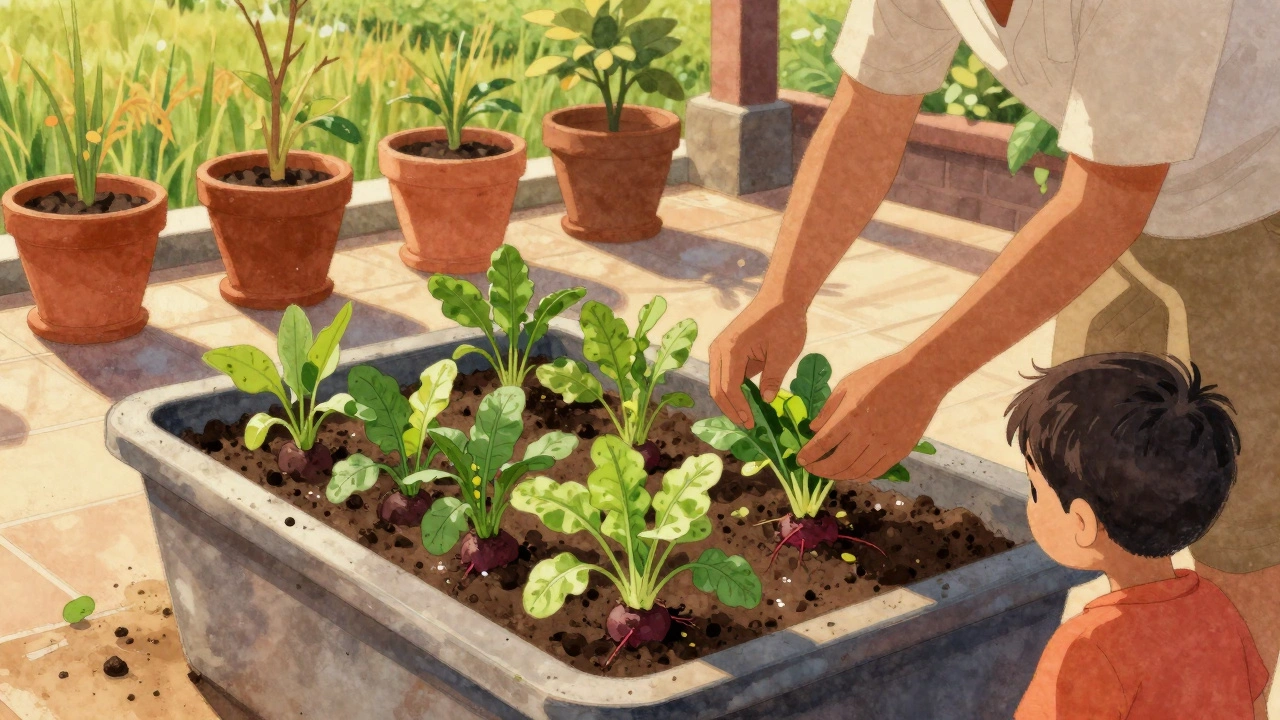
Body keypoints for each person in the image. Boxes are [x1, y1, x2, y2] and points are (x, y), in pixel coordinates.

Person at [708, 0, 1280, 705]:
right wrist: (783, 294)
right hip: (1120, 196)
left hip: (1258, 198)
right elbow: (870, 108)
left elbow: (1109, 200)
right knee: (1096, 495)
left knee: (1244, 528)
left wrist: (922, 374)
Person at [1005, 352, 1266, 719]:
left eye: (1035, 489)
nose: (1030, 503)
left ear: (1082, 521)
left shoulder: (1088, 647)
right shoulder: (1216, 610)